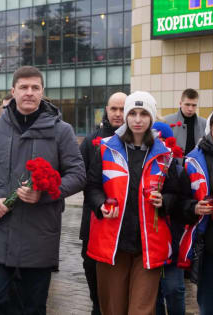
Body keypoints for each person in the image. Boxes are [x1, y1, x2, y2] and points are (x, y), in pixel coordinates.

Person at [0, 66, 86, 314]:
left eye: (35, 87)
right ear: (13, 91)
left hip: (39, 235)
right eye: (23, 87)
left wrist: (44, 193)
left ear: (43, 92)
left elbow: (77, 175)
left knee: (33, 306)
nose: (29, 92)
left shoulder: (61, 130)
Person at [86, 91, 179, 315]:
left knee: (141, 311)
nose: (138, 119)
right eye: (133, 113)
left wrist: (164, 201)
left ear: (152, 118)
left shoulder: (165, 154)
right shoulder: (106, 148)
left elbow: (176, 193)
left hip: (148, 246)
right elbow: (91, 186)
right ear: (127, 117)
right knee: (113, 309)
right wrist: (100, 204)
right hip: (112, 244)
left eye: (144, 114)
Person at [79, 92, 126, 315]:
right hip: (94, 219)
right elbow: (84, 182)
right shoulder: (91, 141)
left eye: (122, 109)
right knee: (91, 267)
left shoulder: (136, 140)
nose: (118, 114)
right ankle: (97, 305)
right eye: (113, 109)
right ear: (106, 110)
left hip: (124, 223)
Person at [178, 110, 213, 315]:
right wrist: (194, 207)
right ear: (209, 130)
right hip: (209, 245)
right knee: (209, 303)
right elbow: (180, 201)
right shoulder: (194, 159)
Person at [152, 122, 186, 315]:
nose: (161, 145)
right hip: (151, 242)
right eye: (158, 140)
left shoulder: (179, 170)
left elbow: (183, 203)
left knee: (174, 290)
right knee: (153, 293)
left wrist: (166, 201)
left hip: (172, 240)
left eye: (165, 140)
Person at [165, 88, 206, 156]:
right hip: (173, 165)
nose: (190, 109)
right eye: (187, 104)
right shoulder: (166, 121)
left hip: (196, 165)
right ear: (180, 103)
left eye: (194, 105)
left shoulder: (204, 123)